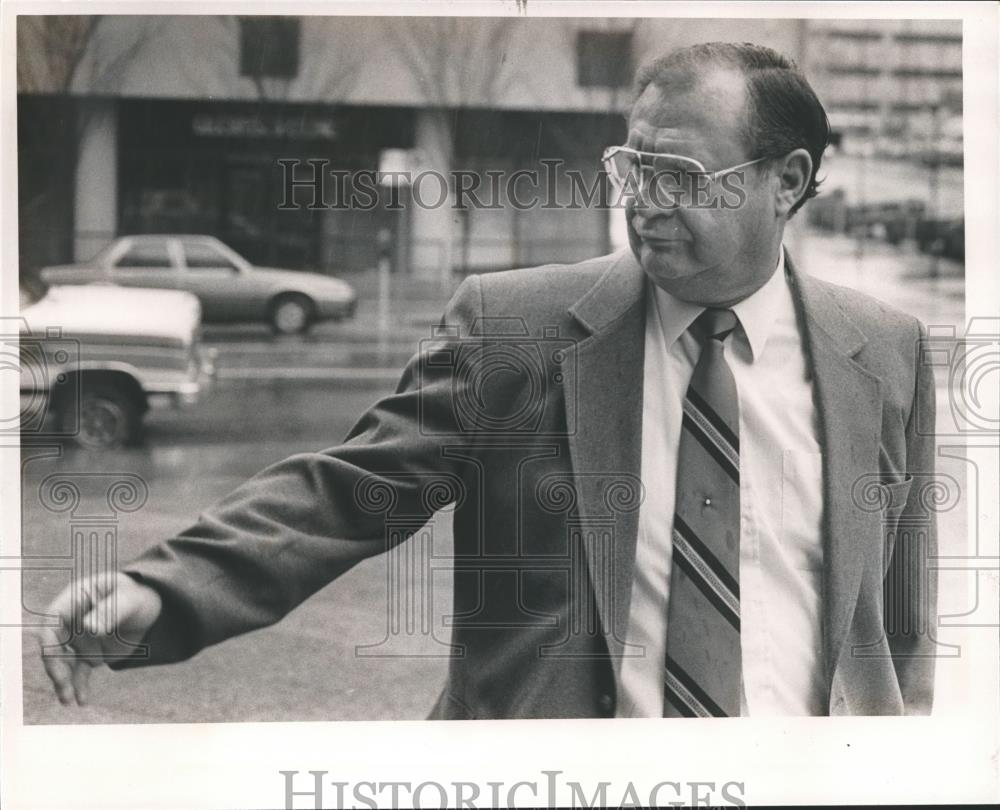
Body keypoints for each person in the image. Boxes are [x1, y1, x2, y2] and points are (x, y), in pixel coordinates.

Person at [37, 42, 937, 718]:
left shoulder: (885, 352)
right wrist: (167, 587)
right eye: (634, 167)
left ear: (788, 182)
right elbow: (348, 491)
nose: (644, 203)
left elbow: (901, 620)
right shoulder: (514, 329)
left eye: (682, 176)